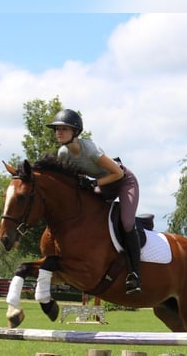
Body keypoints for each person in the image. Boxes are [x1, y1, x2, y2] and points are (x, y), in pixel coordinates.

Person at [47, 109, 142, 294]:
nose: (58, 132)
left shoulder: (89, 148)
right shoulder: (63, 154)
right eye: (57, 129)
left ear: (75, 132)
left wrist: (93, 182)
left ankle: (135, 275)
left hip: (123, 182)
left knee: (128, 223)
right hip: (102, 186)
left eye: (63, 129)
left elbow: (118, 173)